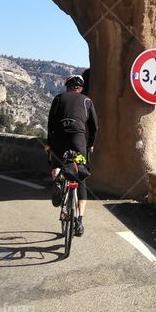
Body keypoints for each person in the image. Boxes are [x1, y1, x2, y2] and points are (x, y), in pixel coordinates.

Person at [45, 74, 97, 236]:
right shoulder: (87, 101)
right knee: (80, 177)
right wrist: (90, 144)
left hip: (59, 136)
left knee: (56, 164)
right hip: (78, 138)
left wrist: (49, 142)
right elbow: (94, 126)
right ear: (80, 88)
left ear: (67, 86)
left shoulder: (59, 98)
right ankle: (79, 221)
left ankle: (58, 182)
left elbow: (51, 122)